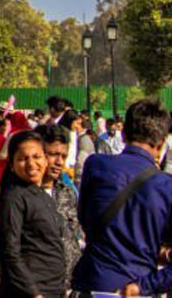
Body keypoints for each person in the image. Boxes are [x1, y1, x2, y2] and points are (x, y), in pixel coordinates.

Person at [71, 99, 172, 297]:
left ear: (123, 134)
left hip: (92, 281)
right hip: (135, 287)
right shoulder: (166, 186)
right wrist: (144, 286)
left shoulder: (96, 164)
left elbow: (84, 219)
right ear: (160, 145)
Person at [0, 130, 66, 298]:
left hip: (53, 288)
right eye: (23, 159)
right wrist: (33, 293)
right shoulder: (12, 198)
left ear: (46, 159)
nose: (31, 164)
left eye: (36, 157)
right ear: (11, 164)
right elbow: (9, 252)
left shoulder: (40, 194)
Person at [33, 123, 81, 286]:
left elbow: (73, 238)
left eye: (64, 156)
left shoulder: (66, 193)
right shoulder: (20, 197)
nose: (60, 162)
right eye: (53, 154)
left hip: (67, 285)